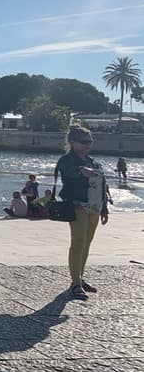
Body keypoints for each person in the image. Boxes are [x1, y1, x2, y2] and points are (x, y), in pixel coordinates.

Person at [56, 125, 110, 299]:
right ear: (72, 143)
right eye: (84, 141)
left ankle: (80, 277)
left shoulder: (93, 162)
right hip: (77, 205)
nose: (88, 145)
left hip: (94, 206)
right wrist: (81, 170)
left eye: (90, 141)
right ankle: (75, 283)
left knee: (87, 243)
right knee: (78, 242)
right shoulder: (67, 160)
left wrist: (105, 208)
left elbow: (103, 185)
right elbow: (68, 174)